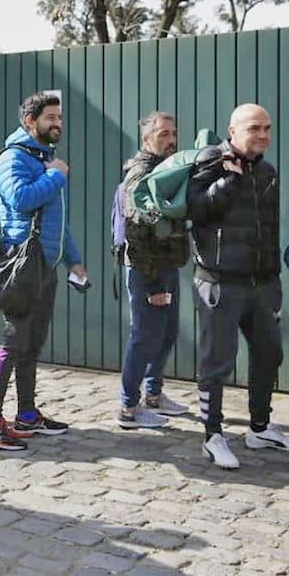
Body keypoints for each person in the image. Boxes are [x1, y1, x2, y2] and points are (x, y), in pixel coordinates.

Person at [189, 103, 289, 470]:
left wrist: (274, 279)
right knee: (216, 363)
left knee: (269, 354)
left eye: (267, 128)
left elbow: (268, 229)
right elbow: (196, 211)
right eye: (254, 128)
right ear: (233, 131)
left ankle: (260, 428)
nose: (263, 135)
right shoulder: (211, 162)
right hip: (219, 282)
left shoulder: (267, 172)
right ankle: (212, 436)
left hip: (262, 283)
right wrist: (229, 181)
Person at [0, 91, 86, 451]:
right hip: (22, 263)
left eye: (60, 118)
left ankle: (26, 414)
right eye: (51, 117)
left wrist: (73, 260)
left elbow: (56, 221)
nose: (58, 124)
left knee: (33, 342)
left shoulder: (44, 159)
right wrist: (56, 177)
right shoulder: (13, 157)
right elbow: (20, 199)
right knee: (13, 340)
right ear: (30, 122)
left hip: (45, 265)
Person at [117, 111, 189, 429]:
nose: (171, 140)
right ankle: (128, 408)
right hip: (147, 269)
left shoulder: (167, 168)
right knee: (145, 337)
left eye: (173, 133)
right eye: (163, 135)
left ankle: (154, 395)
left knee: (167, 333)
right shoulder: (141, 173)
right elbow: (136, 233)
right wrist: (153, 283)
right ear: (147, 140)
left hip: (166, 266)